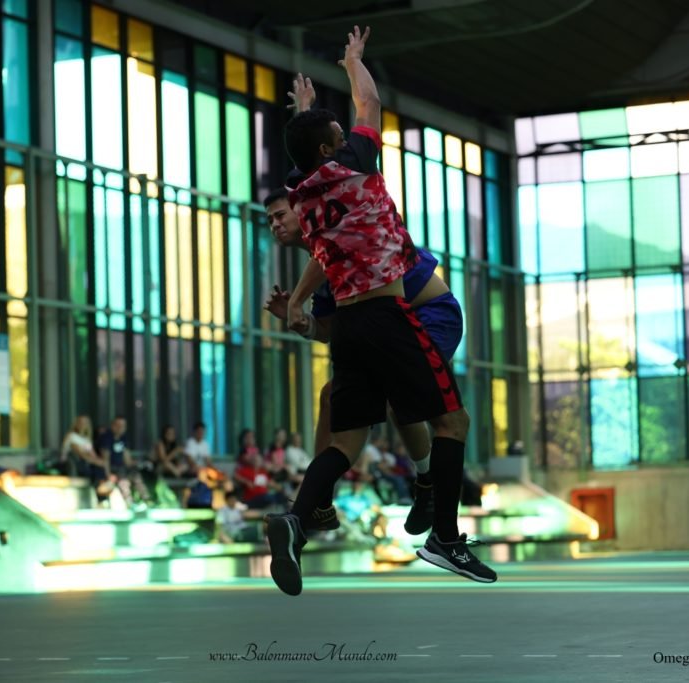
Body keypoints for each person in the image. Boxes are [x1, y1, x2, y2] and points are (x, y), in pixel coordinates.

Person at [264, 27, 496, 596]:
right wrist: (352, 62)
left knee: (346, 441)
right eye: (337, 138)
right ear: (331, 150)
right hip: (390, 318)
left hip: (352, 329)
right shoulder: (355, 164)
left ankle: (297, 518)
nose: (347, 138)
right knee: (453, 421)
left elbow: (306, 154)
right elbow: (369, 103)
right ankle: (444, 534)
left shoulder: (305, 199)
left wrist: (306, 116)